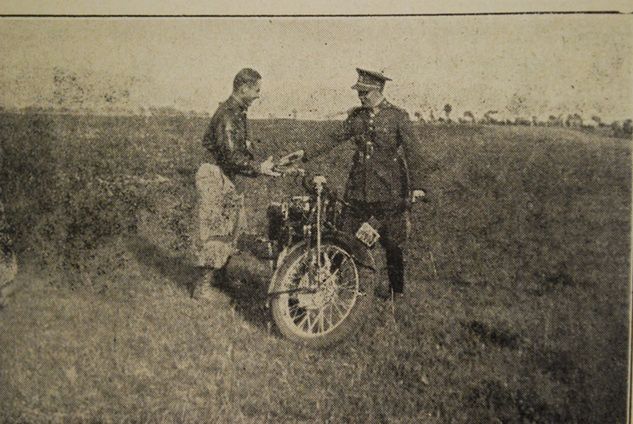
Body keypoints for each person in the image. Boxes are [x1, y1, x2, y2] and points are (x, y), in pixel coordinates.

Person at [339, 68, 426, 300]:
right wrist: (305, 152)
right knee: (346, 236)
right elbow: (333, 137)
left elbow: (413, 152)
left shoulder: (397, 116)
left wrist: (418, 186)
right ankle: (340, 285)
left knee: (393, 243)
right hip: (359, 189)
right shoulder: (357, 117)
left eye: (365, 92)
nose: (360, 97)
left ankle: (395, 291)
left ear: (378, 91)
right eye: (359, 92)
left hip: (389, 191)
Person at [194, 68, 280, 297]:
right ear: (243, 88)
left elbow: (237, 153)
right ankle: (202, 286)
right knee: (215, 229)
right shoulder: (229, 114)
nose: (258, 95)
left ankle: (218, 278)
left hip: (225, 175)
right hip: (215, 175)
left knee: (231, 227)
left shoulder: (236, 112)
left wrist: (259, 166)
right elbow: (231, 156)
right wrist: (258, 168)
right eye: (256, 90)